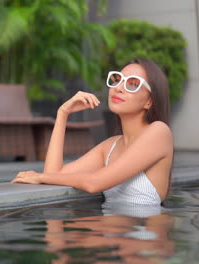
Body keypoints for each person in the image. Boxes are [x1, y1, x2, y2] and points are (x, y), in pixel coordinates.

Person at [11, 58, 173, 205]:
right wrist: (62, 114)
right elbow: (54, 174)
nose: (119, 88)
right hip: (112, 234)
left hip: (145, 233)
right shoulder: (109, 146)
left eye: (132, 84)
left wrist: (39, 177)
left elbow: (94, 183)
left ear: (149, 101)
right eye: (117, 80)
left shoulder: (159, 132)